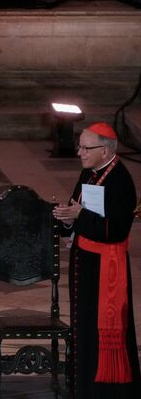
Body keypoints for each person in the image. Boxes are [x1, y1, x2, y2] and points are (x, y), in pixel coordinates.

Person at [52, 122, 141, 398]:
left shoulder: (121, 181)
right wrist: (67, 223)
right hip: (84, 263)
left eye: (84, 148)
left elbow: (115, 230)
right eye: (79, 146)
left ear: (104, 151)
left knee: (101, 333)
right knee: (84, 330)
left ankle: (107, 392)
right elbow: (76, 207)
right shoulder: (90, 172)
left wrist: (80, 218)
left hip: (106, 269)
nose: (79, 152)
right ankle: (83, 388)